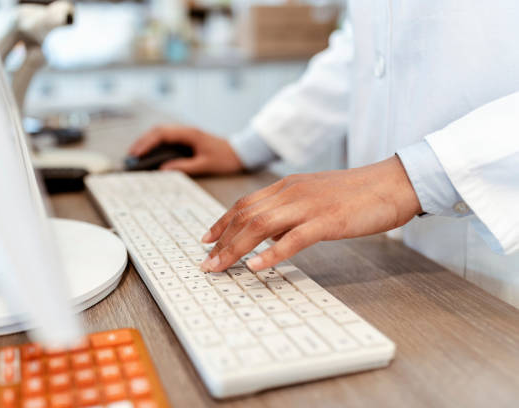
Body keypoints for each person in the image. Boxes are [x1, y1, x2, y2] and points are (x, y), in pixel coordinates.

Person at [129, 2, 519, 307]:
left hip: (499, 273)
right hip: (393, 263)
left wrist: (410, 179)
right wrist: (247, 146)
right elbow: (367, 46)